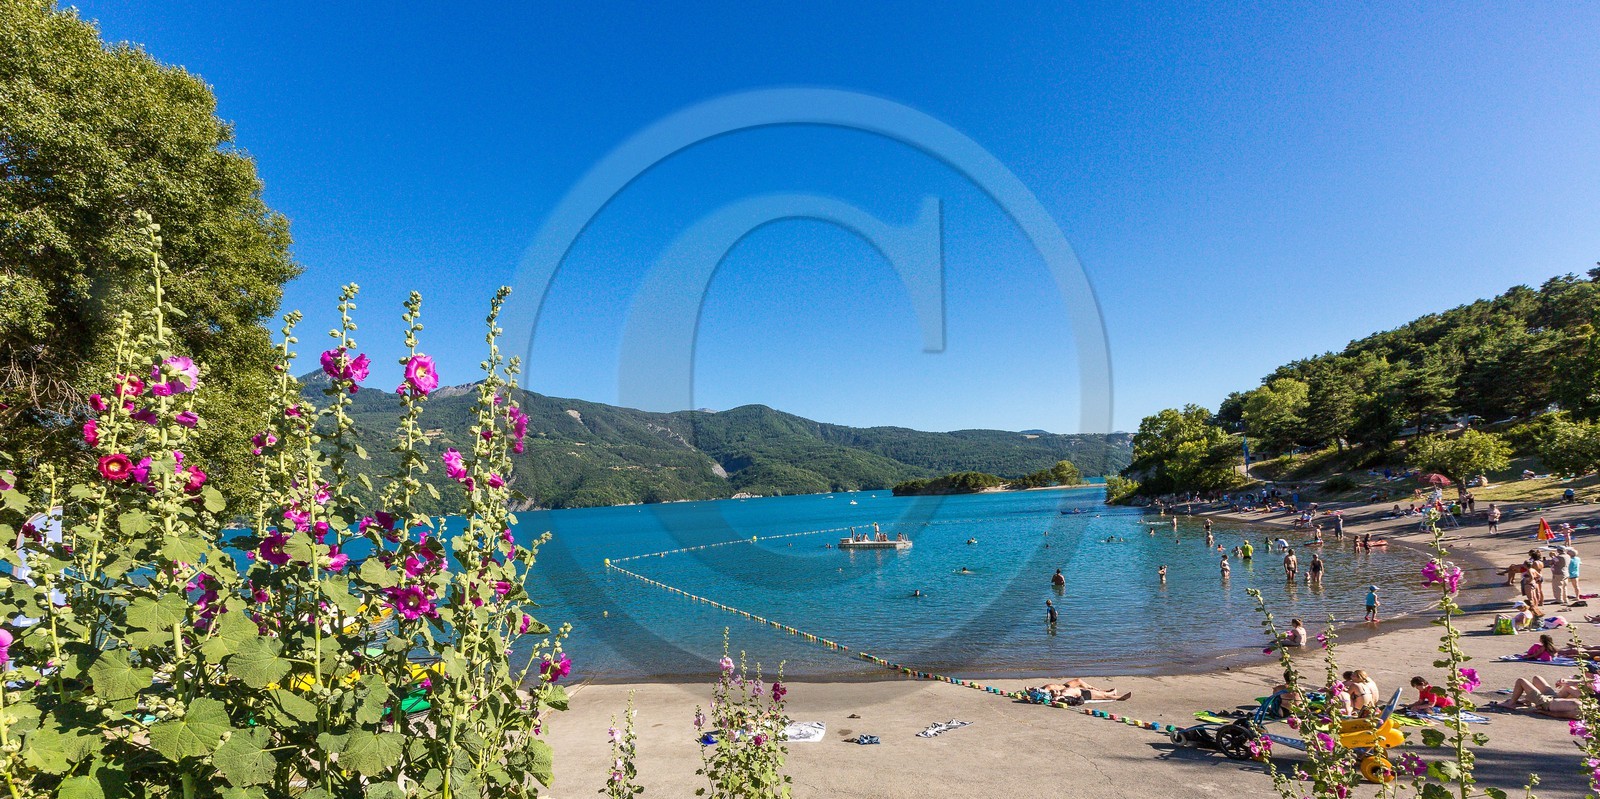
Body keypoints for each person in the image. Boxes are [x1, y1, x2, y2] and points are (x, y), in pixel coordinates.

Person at [1493, 676, 1583, 718]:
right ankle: (1527, 700)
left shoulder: (1583, 713)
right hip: (1554, 697)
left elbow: (1560, 715)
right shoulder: (1591, 704)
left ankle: (1511, 703)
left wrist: (1542, 712)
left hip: (1545, 703)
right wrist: (1567, 682)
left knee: (1521, 681)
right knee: (1537, 678)